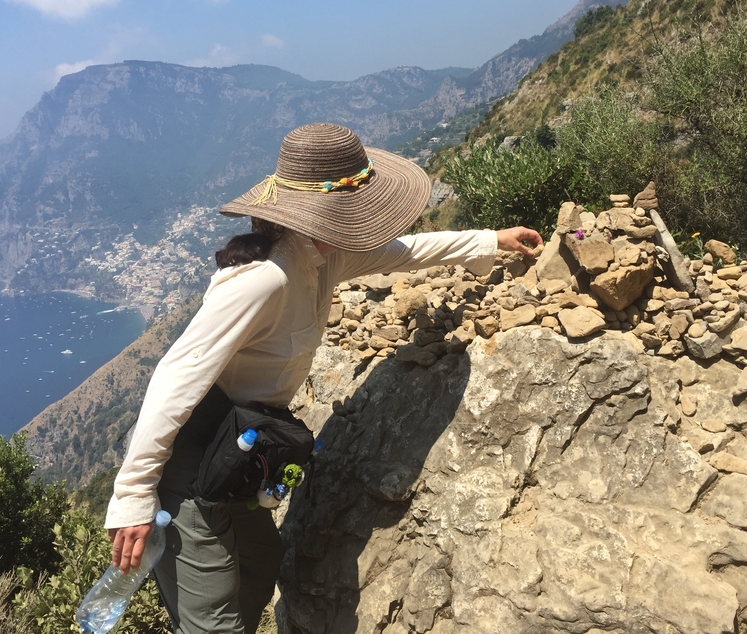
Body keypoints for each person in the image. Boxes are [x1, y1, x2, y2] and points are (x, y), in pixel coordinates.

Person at [105, 122, 542, 634]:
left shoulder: (320, 256)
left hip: (239, 449)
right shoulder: (264, 280)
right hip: (189, 459)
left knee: (260, 565)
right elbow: (176, 376)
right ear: (326, 213)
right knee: (213, 618)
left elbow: (402, 252)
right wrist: (133, 495)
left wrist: (490, 240)